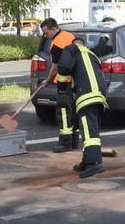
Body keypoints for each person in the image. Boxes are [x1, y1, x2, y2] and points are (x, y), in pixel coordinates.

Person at [57, 37, 108, 178]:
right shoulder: (92, 55)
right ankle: (87, 161)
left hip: (87, 95)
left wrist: (61, 87)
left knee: (89, 131)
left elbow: (64, 66)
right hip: (99, 95)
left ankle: (94, 163)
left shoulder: (71, 49)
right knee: (90, 129)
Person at [39, 18, 79, 153]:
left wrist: (48, 80)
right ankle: (73, 141)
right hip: (75, 83)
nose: (45, 36)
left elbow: (55, 68)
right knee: (73, 112)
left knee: (63, 113)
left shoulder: (57, 43)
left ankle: (65, 143)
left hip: (64, 85)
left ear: (54, 29)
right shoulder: (70, 36)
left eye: (46, 33)